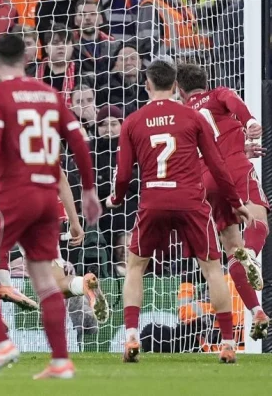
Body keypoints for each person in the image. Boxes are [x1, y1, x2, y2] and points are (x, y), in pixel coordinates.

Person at [0, 34, 101, 379]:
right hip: (46, 199)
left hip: (13, 195)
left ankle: (1, 343)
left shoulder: (0, 95)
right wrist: (89, 190)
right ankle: (60, 361)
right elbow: (78, 141)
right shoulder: (49, 94)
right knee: (45, 280)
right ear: (28, 57)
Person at [107, 60, 251, 365]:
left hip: (153, 200)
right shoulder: (193, 116)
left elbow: (122, 175)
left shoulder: (133, 121)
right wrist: (235, 201)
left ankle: (131, 336)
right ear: (176, 87)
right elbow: (217, 166)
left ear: (147, 85)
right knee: (212, 268)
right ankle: (227, 342)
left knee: (135, 267)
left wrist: (117, 199)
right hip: (191, 201)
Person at [177, 62, 269, 340]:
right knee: (259, 220)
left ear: (180, 90)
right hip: (235, 168)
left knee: (231, 248)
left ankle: (257, 312)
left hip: (206, 180)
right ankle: (251, 255)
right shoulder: (219, 94)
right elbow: (234, 102)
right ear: (205, 81)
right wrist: (251, 122)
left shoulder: (182, 114)